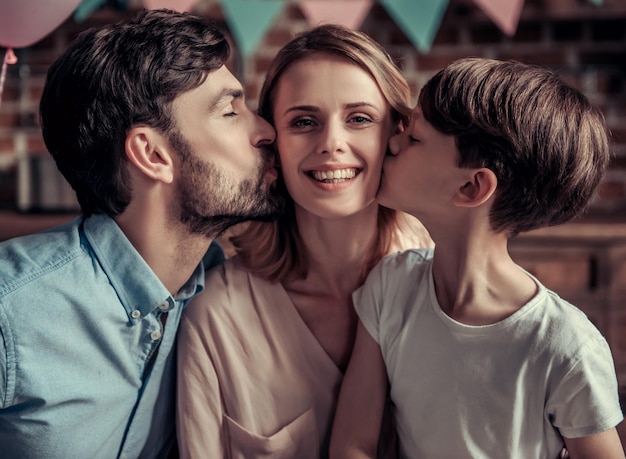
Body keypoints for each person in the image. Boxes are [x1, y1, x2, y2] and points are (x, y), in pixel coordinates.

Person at [0, 9, 282, 459]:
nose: (266, 130)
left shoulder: (220, 291)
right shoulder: (11, 311)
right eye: (230, 111)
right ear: (152, 154)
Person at [330, 57, 625, 458]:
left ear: (471, 187)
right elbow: (352, 444)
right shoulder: (390, 286)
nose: (392, 142)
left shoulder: (568, 347)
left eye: (414, 138)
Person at [176, 24, 432, 458]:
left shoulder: (442, 293)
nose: (332, 143)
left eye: (360, 119)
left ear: (396, 134)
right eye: (304, 122)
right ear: (272, 144)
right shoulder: (217, 315)